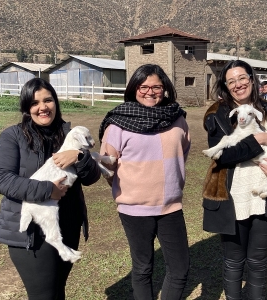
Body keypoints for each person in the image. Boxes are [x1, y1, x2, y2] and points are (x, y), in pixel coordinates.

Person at [0, 78, 101, 300]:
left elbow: (91, 178)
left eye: (48, 100)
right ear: (26, 107)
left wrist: (80, 157)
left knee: (57, 292)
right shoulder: (13, 136)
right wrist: (47, 190)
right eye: (34, 103)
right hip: (33, 233)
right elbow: (0, 178)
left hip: (67, 226)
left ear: (55, 102)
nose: (43, 107)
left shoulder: (69, 134)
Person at [202, 60, 267, 300]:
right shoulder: (217, 114)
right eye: (231, 81)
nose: (238, 85)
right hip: (233, 197)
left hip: (264, 196)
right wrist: (259, 140)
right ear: (226, 86)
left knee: (258, 261)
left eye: (242, 78)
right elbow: (223, 155)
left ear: (252, 79)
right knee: (234, 261)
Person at [99, 64, 191, 300]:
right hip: (134, 209)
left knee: (179, 269)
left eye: (157, 87)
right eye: (144, 86)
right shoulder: (118, 122)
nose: (150, 92)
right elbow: (107, 166)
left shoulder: (177, 118)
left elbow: (183, 151)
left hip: (171, 206)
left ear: (165, 89)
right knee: (143, 269)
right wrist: (129, 189)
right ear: (134, 89)